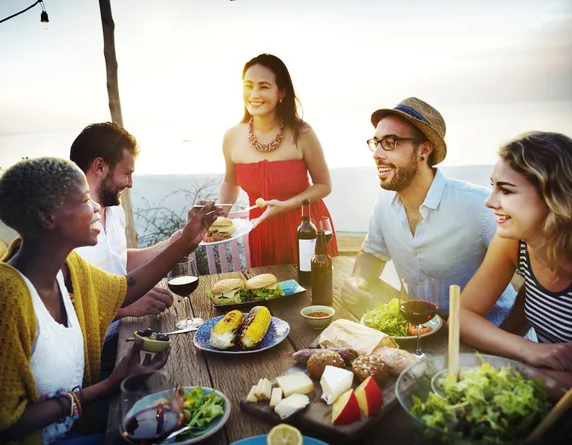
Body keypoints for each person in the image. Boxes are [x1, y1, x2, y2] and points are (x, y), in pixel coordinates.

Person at [0, 157, 221, 444]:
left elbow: (125, 287)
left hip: (78, 426)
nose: (94, 208)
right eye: (84, 200)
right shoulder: (0, 298)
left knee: (184, 418)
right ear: (47, 217)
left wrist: (186, 242)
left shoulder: (69, 267)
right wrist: (104, 387)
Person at [339, 97, 515, 325]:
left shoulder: (480, 206)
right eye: (376, 142)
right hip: (420, 327)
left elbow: (530, 274)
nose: (377, 154)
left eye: (390, 142)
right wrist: (357, 279)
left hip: (490, 334)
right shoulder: (384, 201)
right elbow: (373, 253)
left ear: (423, 150)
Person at [459, 132, 572, 387]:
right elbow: (463, 315)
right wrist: (529, 350)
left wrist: (521, 375)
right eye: (493, 186)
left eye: (506, 191)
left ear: (554, 197)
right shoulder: (514, 241)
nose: (490, 202)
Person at [69, 122, 182, 377]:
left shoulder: (114, 210)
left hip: (127, 334)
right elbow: (67, 306)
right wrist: (128, 306)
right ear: (100, 167)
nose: (130, 183)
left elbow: (120, 261)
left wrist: (174, 243)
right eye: (126, 173)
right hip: (94, 352)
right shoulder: (68, 226)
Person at [217, 53, 338, 267]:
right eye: (248, 85)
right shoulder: (232, 137)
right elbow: (230, 182)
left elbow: (323, 185)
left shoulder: (303, 132)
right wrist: (219, 218)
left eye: (264, 86)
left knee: (314, 293)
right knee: (267, 294)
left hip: (306, 227)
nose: (254, 94)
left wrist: (286, 205)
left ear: (281, 92)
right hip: (260, 229)